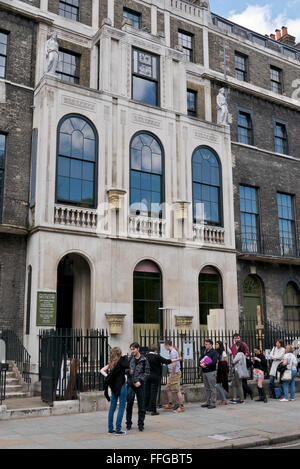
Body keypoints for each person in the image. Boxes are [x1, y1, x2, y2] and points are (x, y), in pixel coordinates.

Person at [145, 344, 182, 415]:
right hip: (155, 377)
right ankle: (153, 410)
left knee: (147, 392)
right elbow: (167, 361)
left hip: (147, 377)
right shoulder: (157, 356)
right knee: (153, 393)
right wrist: (178, 359)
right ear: (155, 350)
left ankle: (146, 408)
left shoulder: (145, 356)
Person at [101, 347, 129, 435]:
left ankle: (110, 428)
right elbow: (127, 365)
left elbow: (101, 370)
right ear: (119, 353)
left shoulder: (112, 363)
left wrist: (108, 376)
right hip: (121, 386)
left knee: (112, 407)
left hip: (113, 387)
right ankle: (118, 429)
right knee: (121, 407)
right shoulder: (121, 361)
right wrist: (124, 357)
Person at [126, 342, 150, 432]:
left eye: (134, 349)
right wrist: (129, 371)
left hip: (141, 384)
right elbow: (125, 369)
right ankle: (128, 423)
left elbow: (147, 372)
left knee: (142, 405)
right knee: (129, 404)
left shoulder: (144, 360)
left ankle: (141, 424)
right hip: (131, 384)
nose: (132, 351)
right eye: (131, 349)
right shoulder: (129, 359)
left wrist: (140, 381)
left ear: (138, 349)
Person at [225, 333, 253, 400]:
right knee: (240, 382)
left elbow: (248, 353)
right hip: (236, 365)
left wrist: (241, 357)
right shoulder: (234, 346)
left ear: (240, 338)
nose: (236, 339)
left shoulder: (243, 344)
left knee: (243, 382)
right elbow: (230, 352)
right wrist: (226, 345)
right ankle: (243, 396)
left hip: (241, 365)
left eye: (238, 338)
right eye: (235, 338)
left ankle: (247, 393)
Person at [163, 340, 185, 413]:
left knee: (176, 390)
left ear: (167, 345)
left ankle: (181, 406)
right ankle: (170, 404)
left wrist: (172, 373)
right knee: (167, 388)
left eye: (164, 346)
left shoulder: (172, 352)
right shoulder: (173, 351)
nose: (164, 347)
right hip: (173, 373)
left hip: (174, 373)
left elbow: (174, 364)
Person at [200, 339, 219, 409]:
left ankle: (213, 403)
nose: (205, 345)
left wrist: (206, 365)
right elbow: (200, 358)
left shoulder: (214, 352)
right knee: (207, 388)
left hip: (211, 372)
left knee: (212, 388)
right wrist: (201, 364)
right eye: (205, 344)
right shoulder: (204, 351)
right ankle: (208, 402)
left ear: (211, 345)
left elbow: (214, 362)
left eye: (207, 344)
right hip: (204, 372)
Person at [215, 340, 229, 405]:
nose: (216, 345)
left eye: (217, 344)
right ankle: (223, 399)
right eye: (216, 344)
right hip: (217, 370)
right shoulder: (216, 352)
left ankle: (224, 400)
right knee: (218, 385)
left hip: (221, 370)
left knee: (218, 385)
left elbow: (226, 361)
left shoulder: (223, 352)